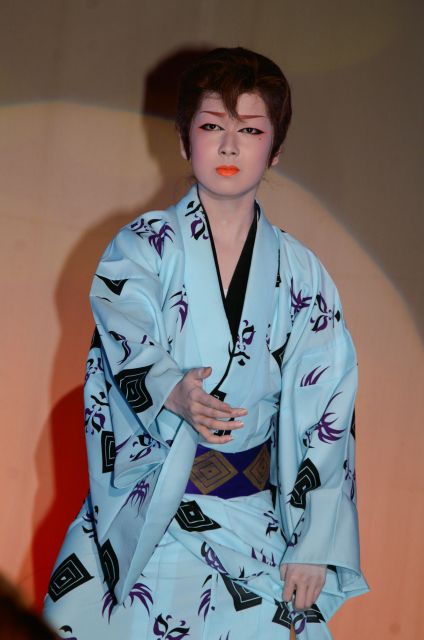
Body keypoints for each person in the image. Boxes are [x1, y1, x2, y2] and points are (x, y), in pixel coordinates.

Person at [43, 47, 369, 639]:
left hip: (253, 526)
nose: (229, 147)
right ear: (183, 138)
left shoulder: (302, 275)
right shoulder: (142, 248)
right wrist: (171, 391)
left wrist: (314, 542)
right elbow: (127, 331)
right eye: (213, 126)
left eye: (251, 130)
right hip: (149, 514)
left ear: (276, 149)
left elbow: (329, 410)